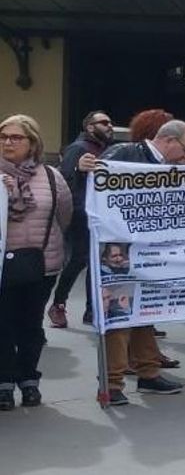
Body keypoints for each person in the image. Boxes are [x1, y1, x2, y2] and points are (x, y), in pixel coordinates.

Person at [99, 120, 185, 404]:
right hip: (120, 252)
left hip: (151, 252)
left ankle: (148, 373)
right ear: (169, 141)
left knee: (146, 312)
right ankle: (112, 383)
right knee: (119, 316)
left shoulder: (169, 166)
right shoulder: (123, 154)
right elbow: (92, 189)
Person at [0, 114, 72, 410]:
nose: (8, 142)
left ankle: (29, 380)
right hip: (2, 266)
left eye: (16, 137)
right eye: (3, 137)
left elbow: (64, 217)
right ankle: (4, 384)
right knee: (3, 326)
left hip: (41, 265)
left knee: (30, 325)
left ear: (32, 143)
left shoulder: (52, 176)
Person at [49, 110, 114, 329]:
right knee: (79, 259)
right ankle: (58, 303)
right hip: (80, 214)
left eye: (110, 123)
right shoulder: (78, 148)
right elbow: (64, 178)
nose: (109, 126)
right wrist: (78, 168)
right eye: (104, 122)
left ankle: (91, 309)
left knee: (95, 260)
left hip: (101, 215)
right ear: (90, 127)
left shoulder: (107, 150)